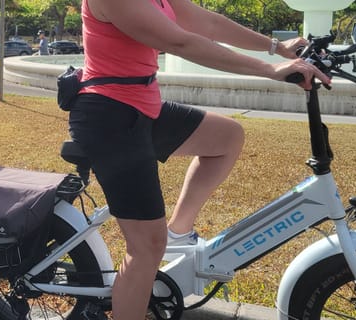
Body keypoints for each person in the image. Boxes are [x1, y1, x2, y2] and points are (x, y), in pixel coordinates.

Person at [70, 0, 330, 318]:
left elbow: (209, 24)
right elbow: (180, 41)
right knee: (145, 248)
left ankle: (178, 234)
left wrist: (277, 46)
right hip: (109, 118)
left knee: (226, 137)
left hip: (142, 109)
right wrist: (269, 69)